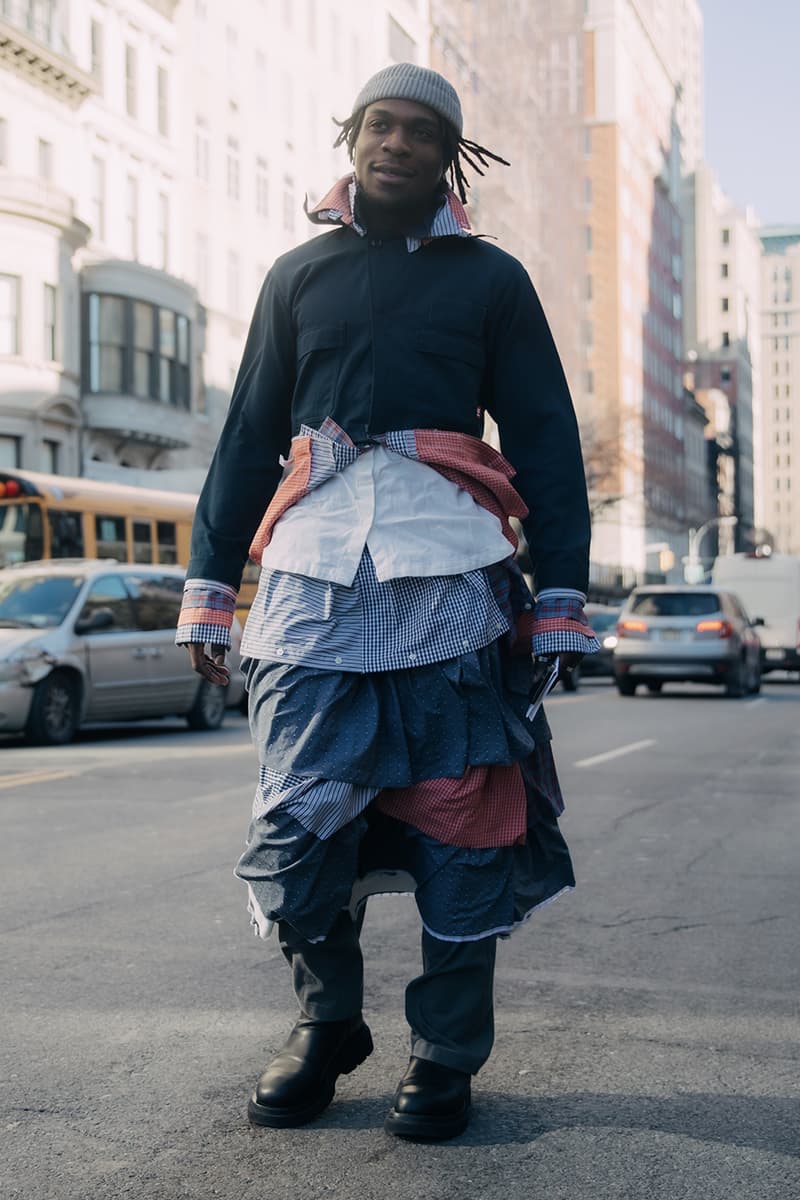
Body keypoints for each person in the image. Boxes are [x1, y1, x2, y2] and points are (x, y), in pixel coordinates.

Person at [177, 62, 599, 1141]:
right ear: (351, 137)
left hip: (450, 582)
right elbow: (245, 434)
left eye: (420, 131)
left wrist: (556, 596)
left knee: (463, 829)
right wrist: (209, 588)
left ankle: (445, 1056)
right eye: (379, 125)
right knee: (295, 828)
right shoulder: (296, 274)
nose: (396, 143)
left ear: (447, 154)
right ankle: (326, 1026)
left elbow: (545, 440)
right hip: (312, 588)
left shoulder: (491, 281)